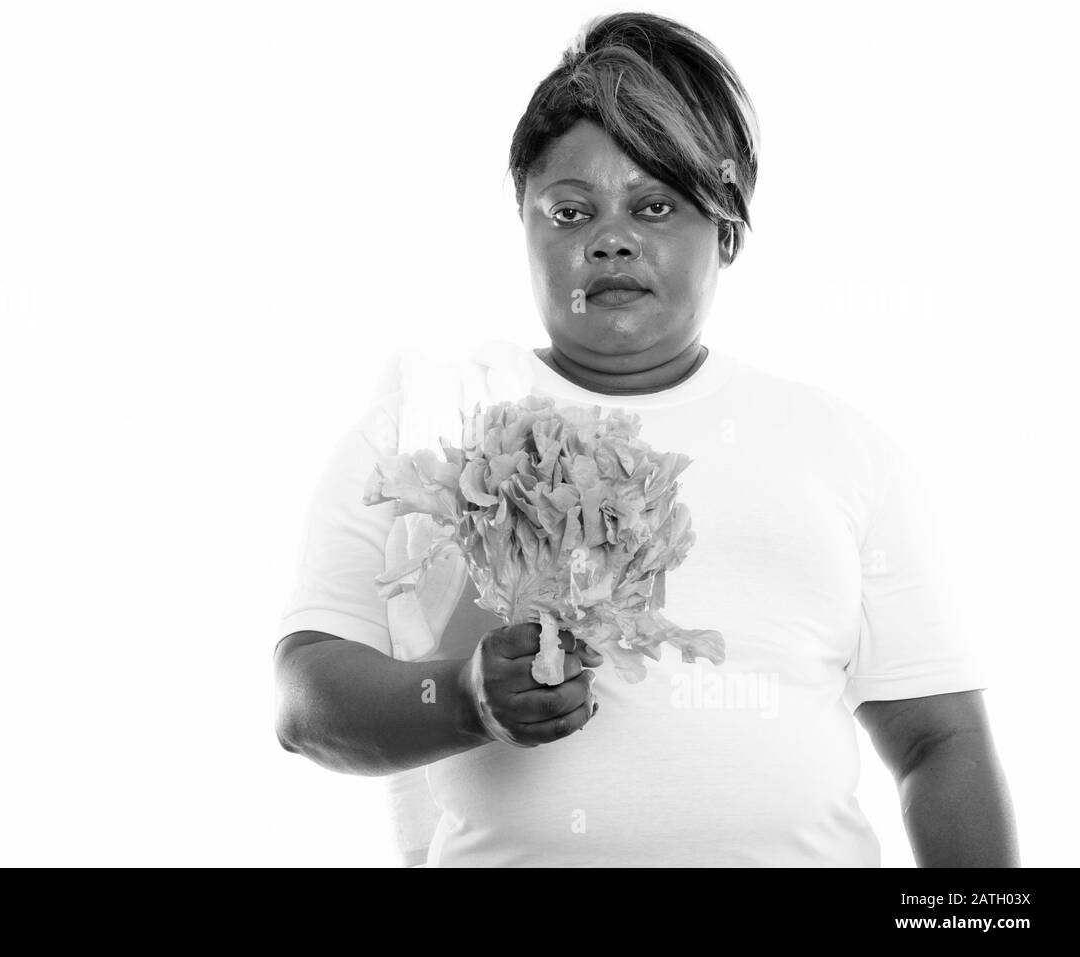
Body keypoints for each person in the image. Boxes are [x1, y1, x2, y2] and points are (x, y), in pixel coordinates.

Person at [273, 12, 1019, 867]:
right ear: (523, 223)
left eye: (655, 205)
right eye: (570, 210)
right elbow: (305, 701)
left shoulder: (840, 449)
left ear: (727, 227)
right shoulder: (427, 421)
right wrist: (467, 700)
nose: (610, 237)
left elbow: (939, 743)